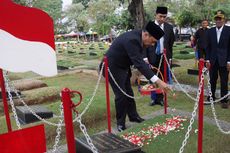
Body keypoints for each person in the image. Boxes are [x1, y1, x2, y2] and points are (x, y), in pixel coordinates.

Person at [99, 21, 170, 132]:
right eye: (152, 42)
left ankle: (133, 116)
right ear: (146, 35)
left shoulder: (140, 36)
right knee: (121, 95)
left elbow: (141, 59)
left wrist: (148, 67)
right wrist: (158, 81)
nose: (152, 45)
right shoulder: (132, 40)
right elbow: (138, 63)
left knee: (129, 93)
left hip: (123, 67)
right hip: (112, 68)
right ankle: (120, 123)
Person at [147, 6, 175, 106]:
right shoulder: (149, 26)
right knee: (153, 77)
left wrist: (170, 57)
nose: (162, 19)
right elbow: (144, 44)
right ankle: (153, 99)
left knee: (163, 78)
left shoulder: (169, 27)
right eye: (160, 16)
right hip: (152, 56)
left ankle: (161, 98)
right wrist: (146, 58)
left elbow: (171, 43)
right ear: (156, 15)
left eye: (164, 17)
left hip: (164, 56)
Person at [206, 10, 230, 109]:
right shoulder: (210, 31)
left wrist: (229, 61)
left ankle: (224, 100)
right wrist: (207, 59)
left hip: (225, 60)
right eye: (217, 19)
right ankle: (211, 98)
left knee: (224, 81)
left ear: (224, 20)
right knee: (212, 80)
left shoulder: (229, 30)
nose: (218, 21)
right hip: (213, 60)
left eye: (220, 19)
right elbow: (208, 46)